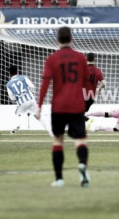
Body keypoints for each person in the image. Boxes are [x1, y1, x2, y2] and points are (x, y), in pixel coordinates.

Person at [36, 27, 90, 187]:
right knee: (80, 140)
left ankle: (59, 179)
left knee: (58, 141)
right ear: (71, 39)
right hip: (76, 105)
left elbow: (45, 84)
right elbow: (86, 81)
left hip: (58, 106)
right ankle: (81, 164)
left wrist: (39, 107)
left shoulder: (52, 59)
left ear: (57, 40)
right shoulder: (80, 58)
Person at [6, 65, 53, 137]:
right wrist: (32, 93)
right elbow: (32, 86)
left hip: (22, 102)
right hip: (31, 99)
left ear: (10, 73)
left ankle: (17, 126)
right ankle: (50, 132)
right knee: (39, 116)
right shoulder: (23, 77)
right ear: (17, 71)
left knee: (18, 115)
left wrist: (18, 96)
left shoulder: (8, 84)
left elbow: (12, 98)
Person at [84, 52, 106, 130]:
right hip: (92, 97)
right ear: (94, 59)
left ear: (86, 59)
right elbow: (104, 83)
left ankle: (88, 120)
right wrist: (98, 89)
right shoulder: (97, 70)